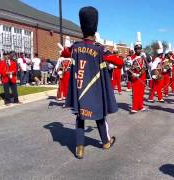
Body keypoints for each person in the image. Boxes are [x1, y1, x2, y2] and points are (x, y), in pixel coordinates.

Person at [65, 6, 123, 159]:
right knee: (99, 117)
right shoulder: (99, 49)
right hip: (95, 91)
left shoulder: (75, 47)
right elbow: (119, 62)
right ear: (94, 29)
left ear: (83, 28)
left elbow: (65, 52)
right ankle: (105, 142)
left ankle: (79, 149)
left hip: (80, 90)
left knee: (80, 118)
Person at [130, 32, 147, 113]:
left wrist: (141, 72)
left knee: (141, 92)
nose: (138, 50)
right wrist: (132, 73)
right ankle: (134, 107)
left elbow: (146, 66)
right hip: (135, 76)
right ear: (134, 49)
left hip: (142, 76)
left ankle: (140, 106)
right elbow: (127, 67)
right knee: (135, 92)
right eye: (136, 49)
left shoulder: (144, 56)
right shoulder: (131, 57)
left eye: (139, 48)